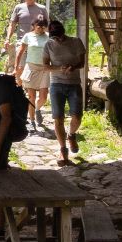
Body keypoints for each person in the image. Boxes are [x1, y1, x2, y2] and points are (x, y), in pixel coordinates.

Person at [44, 20, 89, 164]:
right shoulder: (49, 44)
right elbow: (45, 66)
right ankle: (63, 150)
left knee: (77, 116)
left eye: (58, 35)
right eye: (54, 36)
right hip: (56, 84)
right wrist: (59, 68)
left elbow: (82, 63)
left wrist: (73, 67)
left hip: (74, 84)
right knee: (58, 118)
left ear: (63, 31)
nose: (57, 38)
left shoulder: (76, 42)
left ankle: (71, 135)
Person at [17, 15, 52, 132]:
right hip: (31, 67)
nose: (41, 29)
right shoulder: (28, 36)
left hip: (44, 68)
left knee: (43, 96)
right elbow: (21, 51)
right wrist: (17, 67)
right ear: (33, 26)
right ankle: (32, 121)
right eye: (38, 27)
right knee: (31, 96)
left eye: (43, 27)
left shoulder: (49, 37)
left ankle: (37, 109)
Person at [3, 0, 47, 70]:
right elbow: (12, 24)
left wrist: (49, 40)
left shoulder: (42, 8)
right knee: (20, 68)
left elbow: (47, 25)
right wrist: (7, 39)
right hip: (21, 41)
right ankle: (20, 81)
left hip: (38, 42)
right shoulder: (18, 7)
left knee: (36, 67)